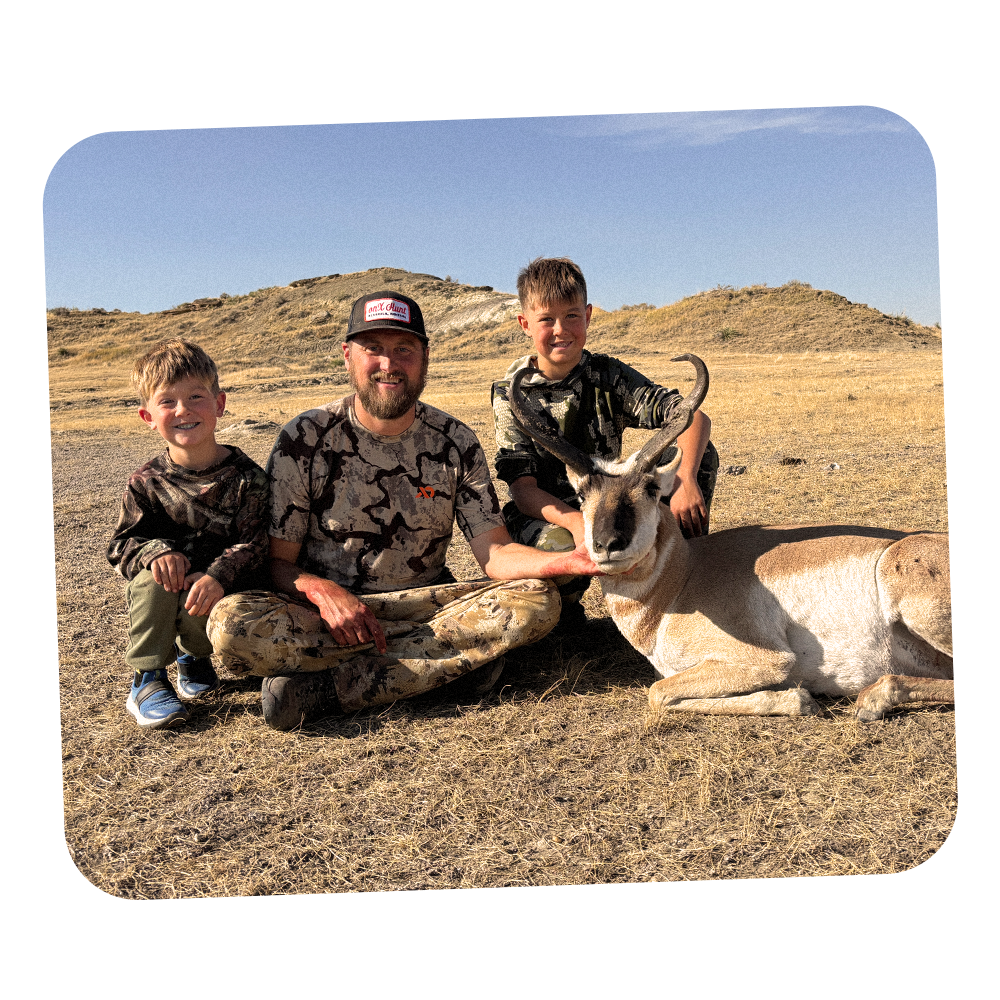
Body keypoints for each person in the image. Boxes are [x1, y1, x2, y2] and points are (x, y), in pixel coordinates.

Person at [207, 291, 602, 731]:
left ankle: (328, 689)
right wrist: (322, 591)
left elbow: (495, 554)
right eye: (372, 348)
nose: (388, 364)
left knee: (538, 601)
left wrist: (569, 561)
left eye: (403, 349)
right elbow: (279, 564)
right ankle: (450, 672)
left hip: (425, 608)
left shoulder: (456, 443)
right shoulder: (304, 439)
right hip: (327, 617)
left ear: (425, 357)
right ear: (347, 356)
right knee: (229, 626)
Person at [492, 257, 719, 608]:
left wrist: (685, 479)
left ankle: (675, 588)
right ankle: (564, 616)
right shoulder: (511, 394)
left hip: (612, 499)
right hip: (550, 511)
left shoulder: (608, 374)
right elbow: (524, 491)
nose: (560, 329)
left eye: (571, 316)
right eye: (546, 319)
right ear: (525, 323)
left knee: (694, 455)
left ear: (588, 316)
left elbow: (692, 417)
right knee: (559, 547)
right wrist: (577, 523)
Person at [108, 339, 270, 730]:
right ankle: (147, 680)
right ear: (148, 416)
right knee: (153, 580)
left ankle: (194, 658)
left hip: (219, 591)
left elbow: (257, 541)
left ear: (219, 403)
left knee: (222, 598)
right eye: (167, 402)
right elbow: (121, 546)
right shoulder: (145, 483)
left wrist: (218, 575)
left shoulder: (249, 478)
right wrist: (155, 553)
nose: (183, 410)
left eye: (196, 396)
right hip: (169, 589)